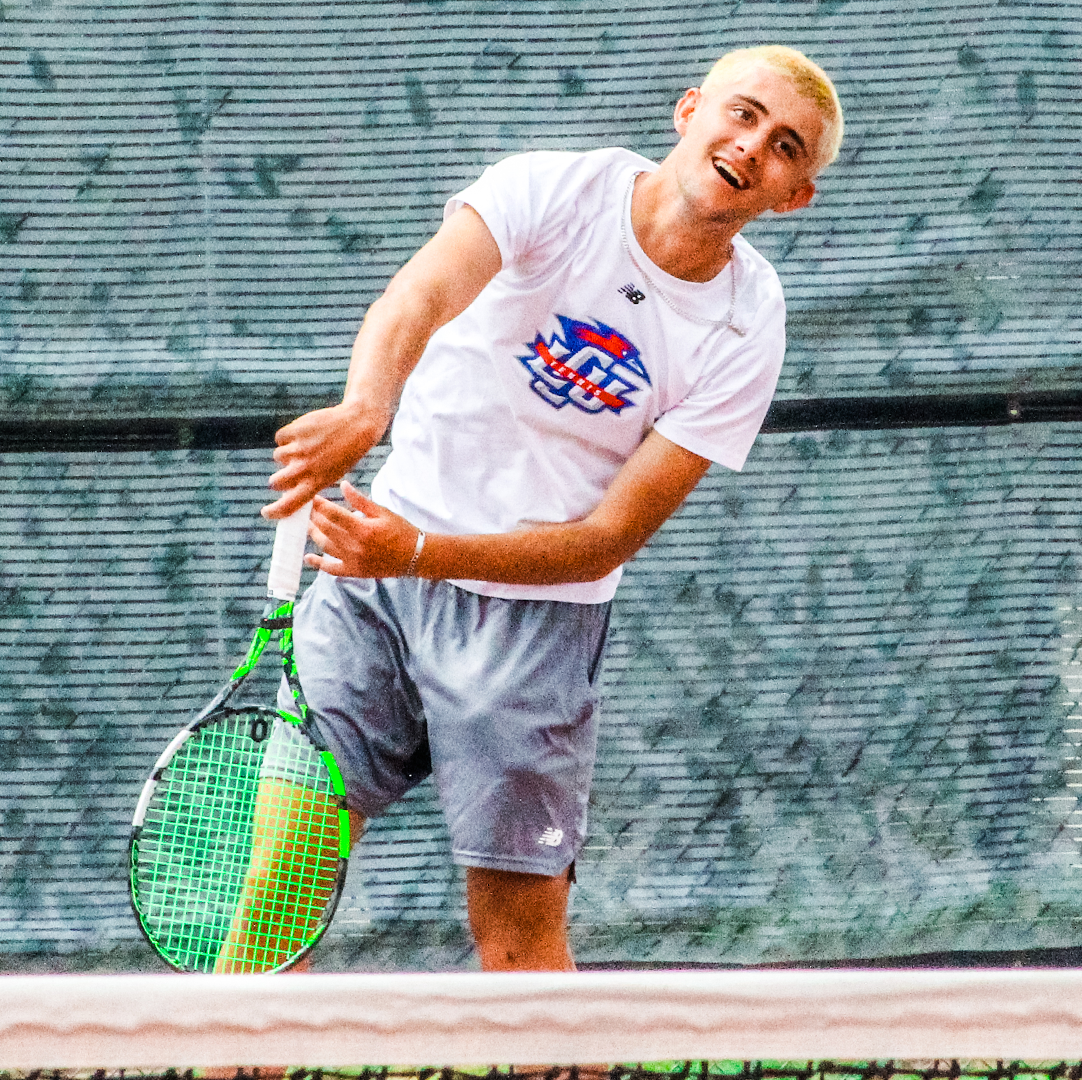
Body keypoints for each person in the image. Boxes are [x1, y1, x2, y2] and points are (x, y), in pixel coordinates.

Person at [258, 45, 842, 972]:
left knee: (519, 946)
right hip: (370, 586)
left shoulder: (747, 321)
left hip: (531, 626)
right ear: (689, 111)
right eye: (740, 114)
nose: (750, 147)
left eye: (785, 149)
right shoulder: (552, 189)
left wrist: (415, 550)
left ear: (791, 197)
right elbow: (421, 293)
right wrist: (368, 408)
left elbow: (607, 538)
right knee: (273, 894)